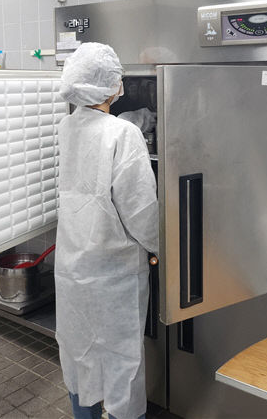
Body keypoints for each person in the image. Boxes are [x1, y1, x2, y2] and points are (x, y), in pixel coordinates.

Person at [55, 42, 159, 419]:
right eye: (118, 78)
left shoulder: (67, 126)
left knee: (78, 351)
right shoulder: (123, 134)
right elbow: (140, 207)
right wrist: (159, 246)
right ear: (111, 85)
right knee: (121, 358)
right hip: (115, 269)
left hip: (73, 262)